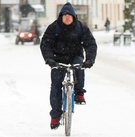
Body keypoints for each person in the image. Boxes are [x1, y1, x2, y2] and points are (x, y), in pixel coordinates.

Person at [40, 2, 97, 130]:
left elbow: (90, 44)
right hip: (57, 59)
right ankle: (55, 116)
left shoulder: (81, 28)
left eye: (69, 16)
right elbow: (46, 44)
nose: (67, 18)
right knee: (55, 86)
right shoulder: (54, 28)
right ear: (61, 16)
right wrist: (49, 59)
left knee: (79, 67)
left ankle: (79, 92)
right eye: (64, 15)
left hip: (75, 56)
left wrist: (89, 60)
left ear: (73, 17)